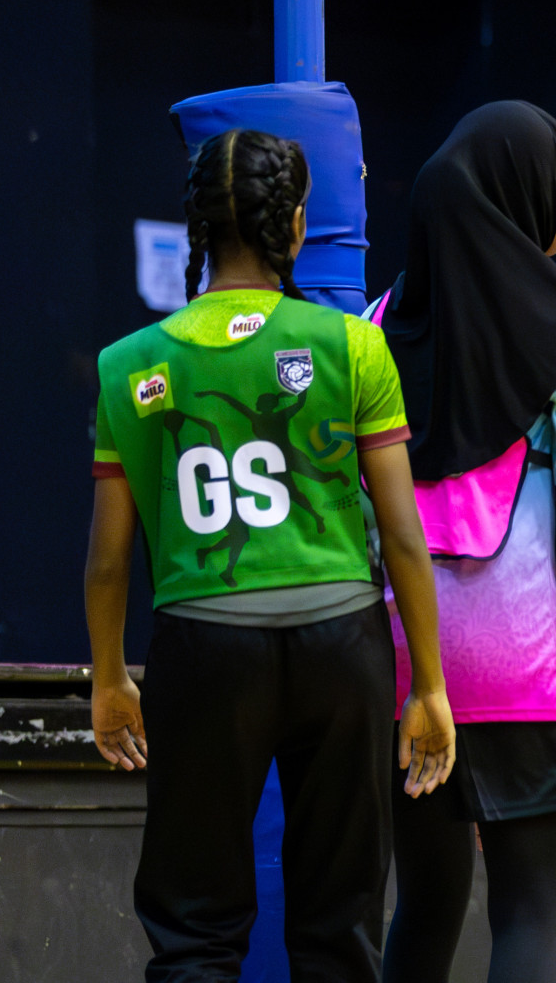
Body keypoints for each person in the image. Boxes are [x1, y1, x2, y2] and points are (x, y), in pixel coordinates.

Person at [85, 128, 456, 982]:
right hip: (343, 647)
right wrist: (427, 685)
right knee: (340, 927)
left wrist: (109, 678)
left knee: (194, 931)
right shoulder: (354, 345)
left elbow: (107, 561)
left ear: (197, 233)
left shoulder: (125, 366)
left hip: (202, 651)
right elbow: (402, 534)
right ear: (294, 225)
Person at [370, 101, 556, 983]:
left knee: (423, 906)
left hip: (403, 666)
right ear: (530, 198)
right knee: (530, 912)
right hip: (514, 670)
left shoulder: (376, 324)